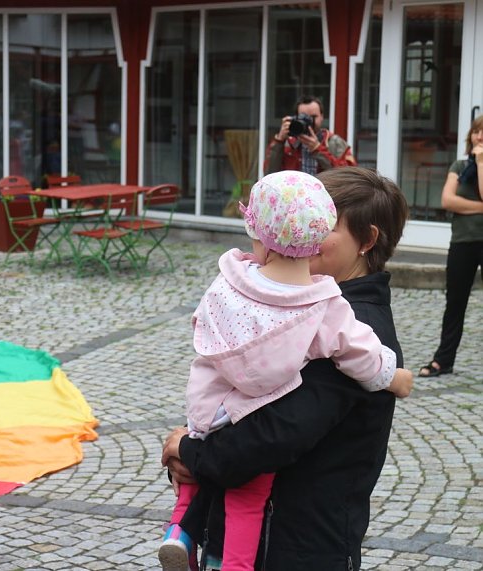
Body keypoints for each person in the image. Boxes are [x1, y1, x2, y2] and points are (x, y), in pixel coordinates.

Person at [157, 170, 412, 571]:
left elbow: (270, 436)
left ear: (367, 240)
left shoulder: (356, 331)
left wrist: (188, 449)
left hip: (295, 545)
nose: (299, 236)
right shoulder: (298, 301)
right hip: (262, 535)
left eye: (320, 227)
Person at [419, 115, 483, 378]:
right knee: (455, 303)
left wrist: (481, 163)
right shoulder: (459, 165)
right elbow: (447, 200)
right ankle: (443, 361)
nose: (480, 136)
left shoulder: (476, 164)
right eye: (477, 131)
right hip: (463, 242)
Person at [264, 95, 356, 176]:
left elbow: (347, 178)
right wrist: (279, 140)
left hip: (326, 194)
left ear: (322, 117)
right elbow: (268, 174)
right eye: (303, 117)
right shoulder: (287, 143)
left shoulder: (335, 142)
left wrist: (318, 149)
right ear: (295, 118)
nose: (308, 122)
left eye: (313, 117)